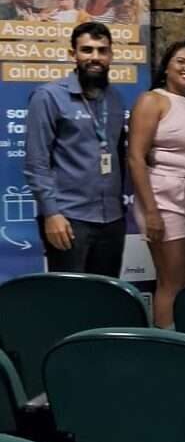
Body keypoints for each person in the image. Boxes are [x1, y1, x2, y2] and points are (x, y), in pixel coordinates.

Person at [24, 22, 126, 276]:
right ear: (73, 54)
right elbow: (37, 162)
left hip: (111, 219)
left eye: (102, 51)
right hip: (69, 218)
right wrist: (51, 214)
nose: (95, 57)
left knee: (105, 297)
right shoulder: (48, 97)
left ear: (111, 55)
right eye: (87, 50)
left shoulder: (114, 98)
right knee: (69, 300)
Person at [128, 41, 185, 328]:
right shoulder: (152, 100)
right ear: (166, 66)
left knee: (178, 280)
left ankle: (174, 341)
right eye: (181, 61)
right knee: (170, 282)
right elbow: (136, 158)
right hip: (164, 199)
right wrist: (151, 211)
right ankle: (165, 348)